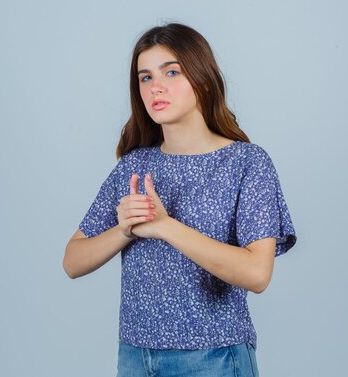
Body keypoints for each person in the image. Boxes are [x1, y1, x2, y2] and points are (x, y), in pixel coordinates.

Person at [62, 22, 297, 377]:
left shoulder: (246, 163)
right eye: (145, 77)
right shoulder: (135, 166)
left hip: (214, 357)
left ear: (202, 79)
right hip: (136, 358)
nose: (155, 86)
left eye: (171, 72)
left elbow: (257, 273)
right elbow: (72, 261)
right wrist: (125, 231)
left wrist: (165, 227)